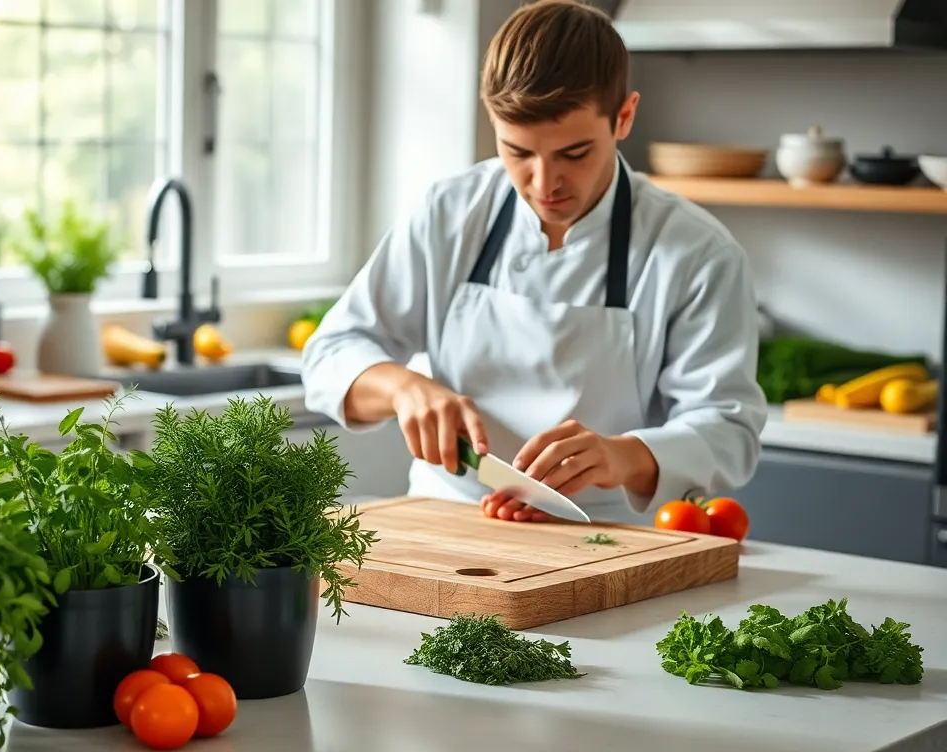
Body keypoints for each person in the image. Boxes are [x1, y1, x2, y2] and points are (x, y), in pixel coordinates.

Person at [300, 0, 768, 525]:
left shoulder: (698, 251)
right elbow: (329, 356)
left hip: (607, 535)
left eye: (573, 153)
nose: (545, 184)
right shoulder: (449, 213)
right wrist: (404, 389)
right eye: (518, 152)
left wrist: (621, 456)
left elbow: (729, 432)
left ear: (625, 118)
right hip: (445, 517)